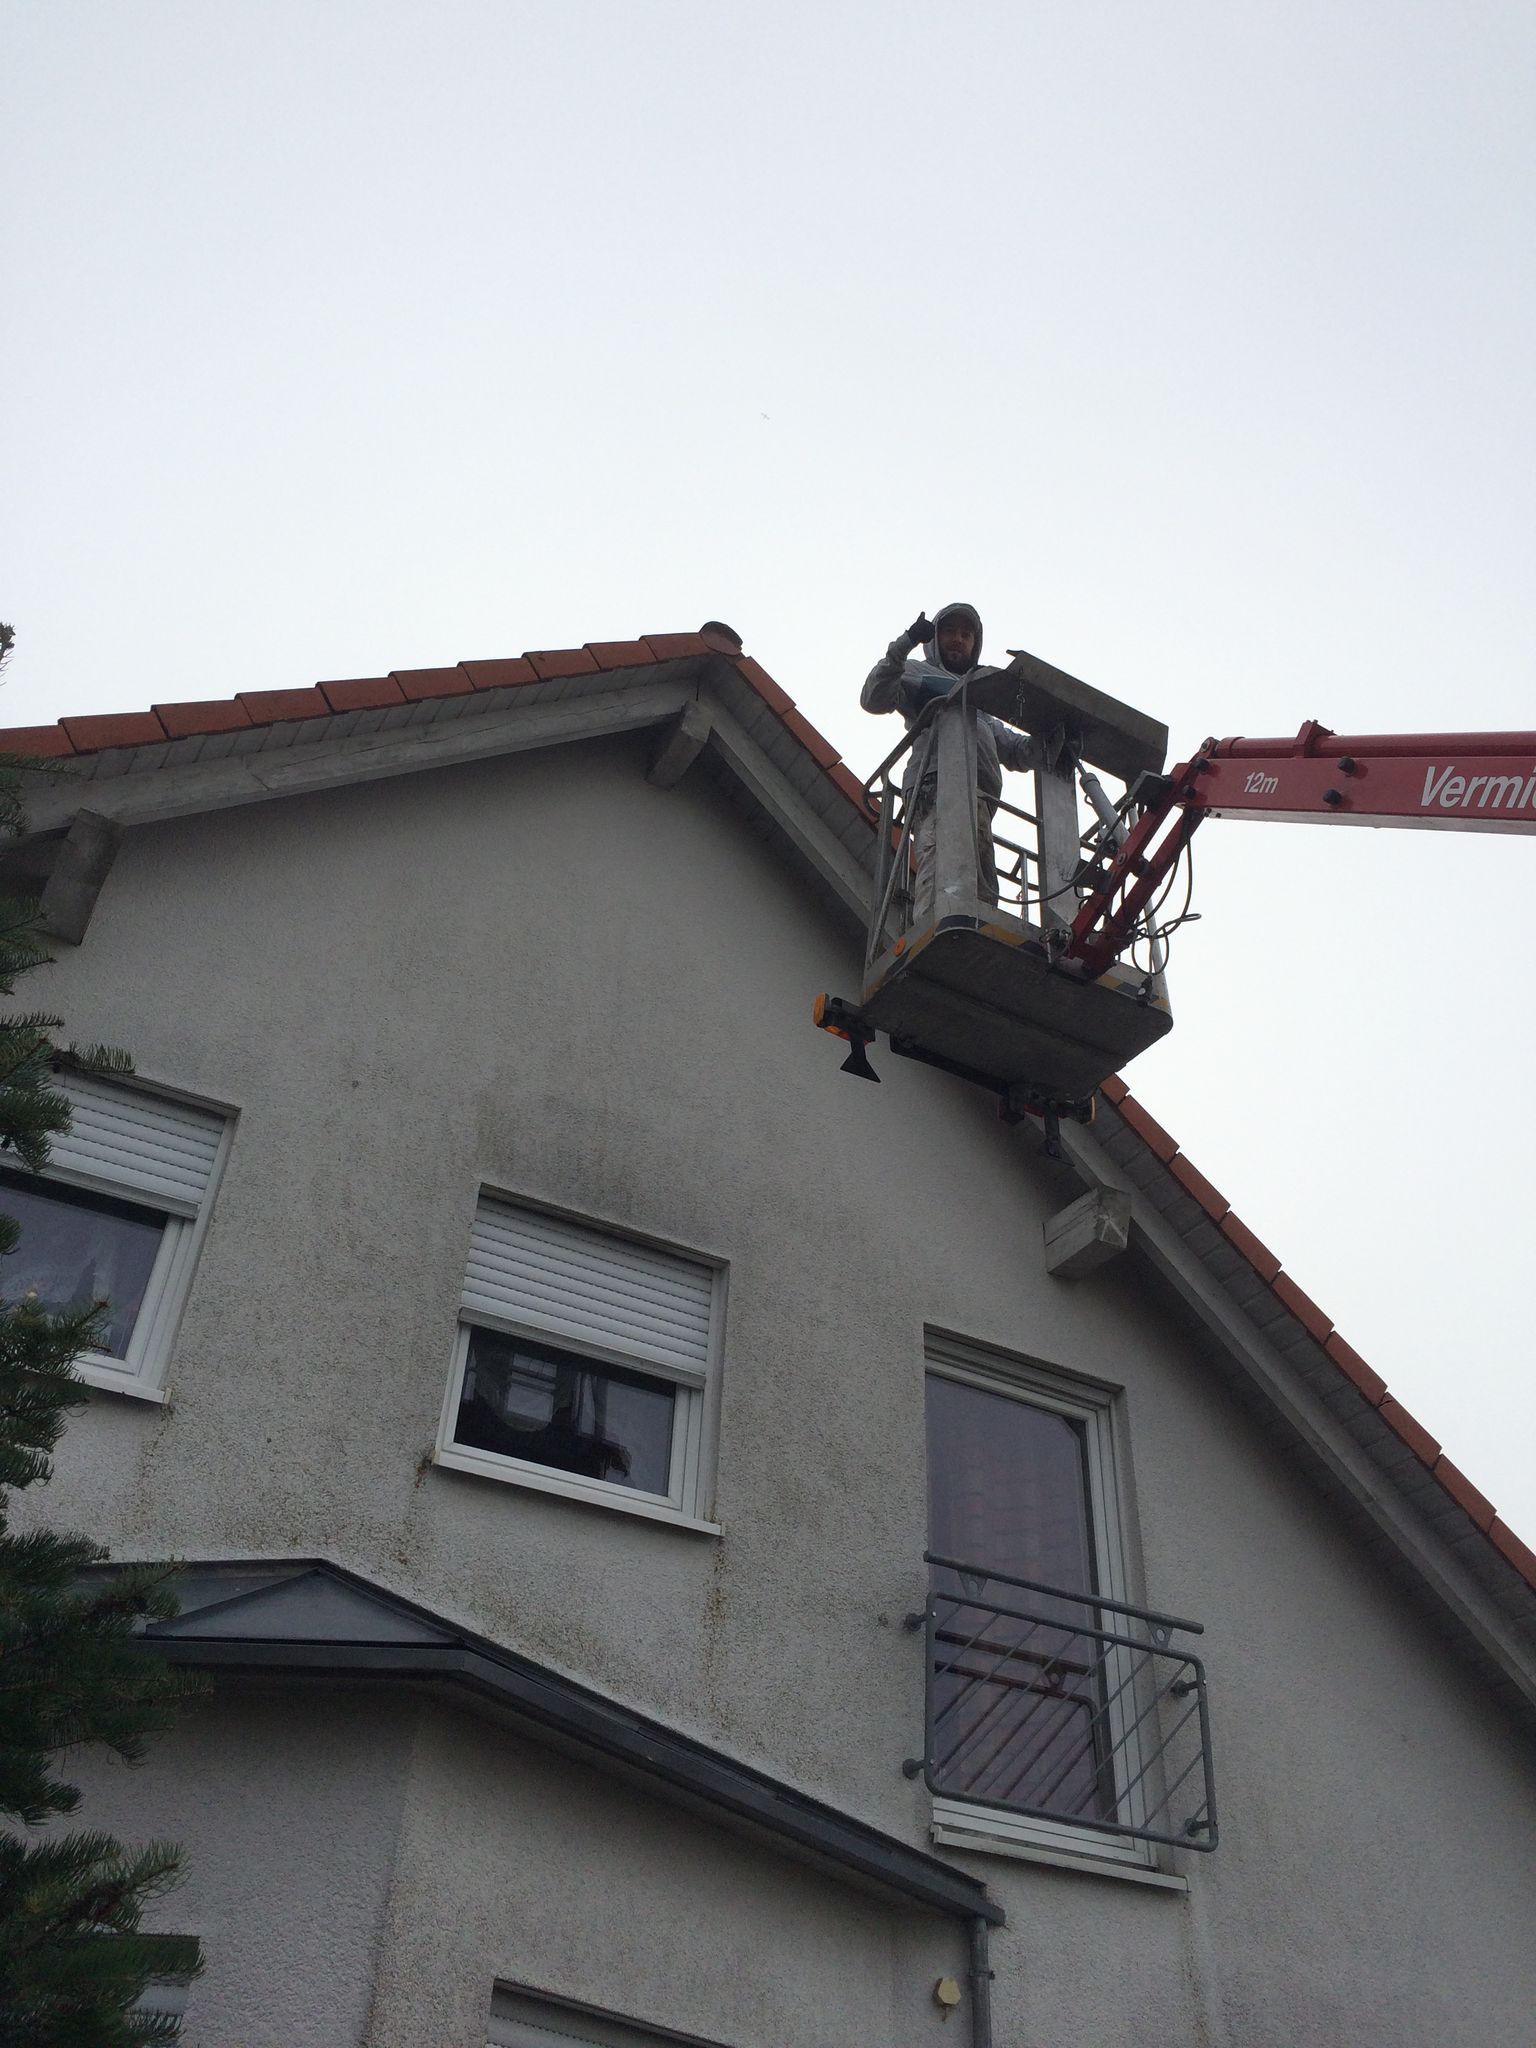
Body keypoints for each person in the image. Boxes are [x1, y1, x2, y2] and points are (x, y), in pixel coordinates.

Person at [860, 601, 1037, 919]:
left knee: (981, 887)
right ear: (934, 638)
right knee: (942, 872)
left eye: (966, 634)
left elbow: (1015, 749)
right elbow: (874, 698)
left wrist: (1052, 740)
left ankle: (975, 935)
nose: (958, 639)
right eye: (950, 631)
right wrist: (904, 644)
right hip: (936, 786)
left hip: (978, 798)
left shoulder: (980, 697)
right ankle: (933, 926)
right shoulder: (919, 672)